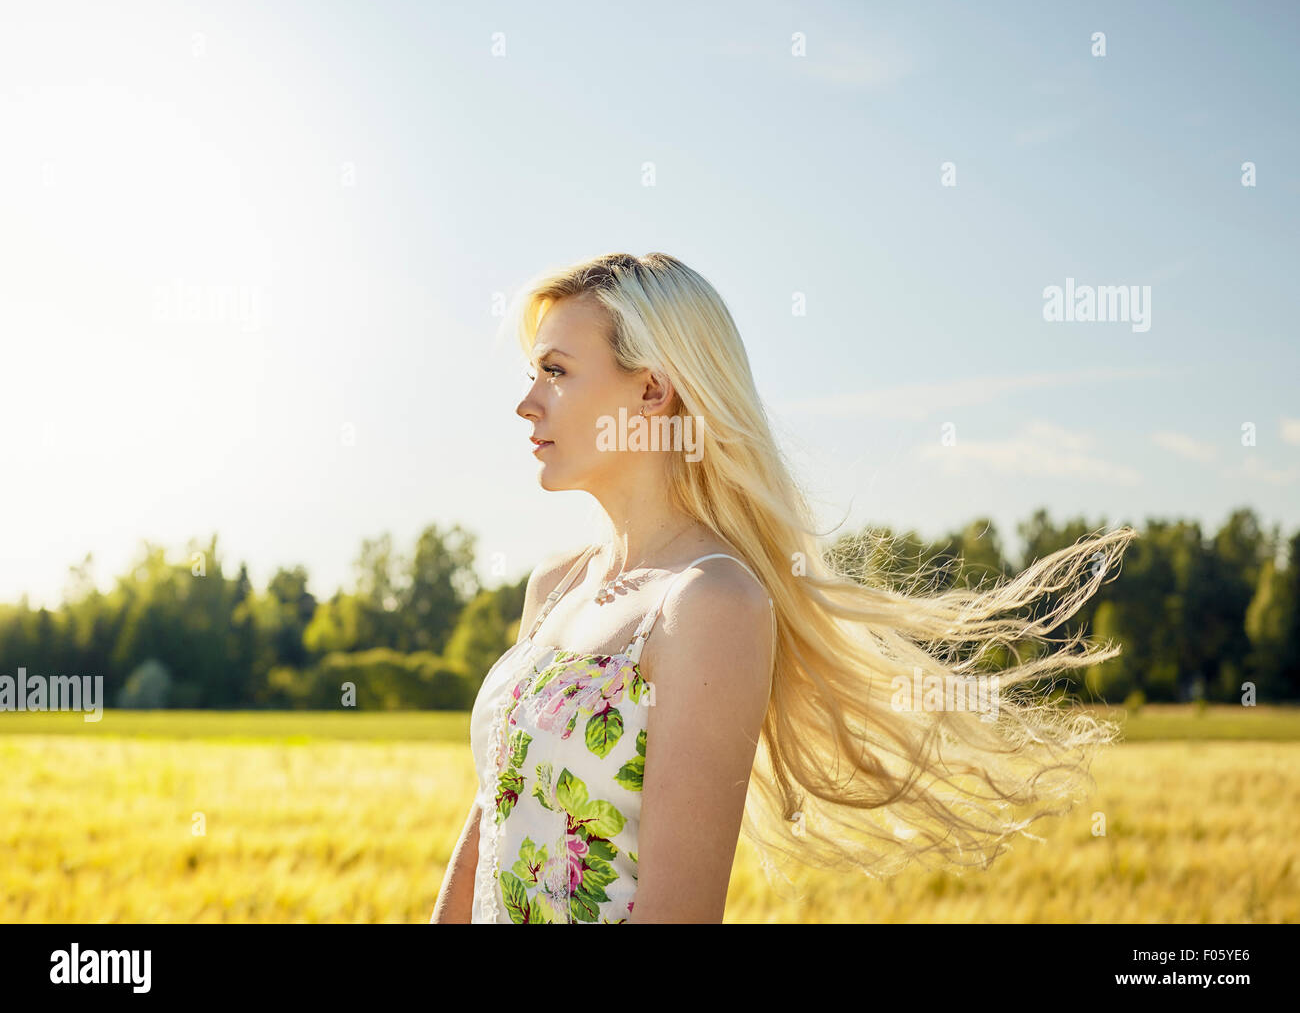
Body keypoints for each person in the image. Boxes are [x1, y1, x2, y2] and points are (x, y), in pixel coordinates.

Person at [430, 252, 1134, 924]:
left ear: (651, 389)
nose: (526, 402)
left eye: (555, 370)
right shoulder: (554, 584)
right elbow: (489, 820)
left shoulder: (709, 603)